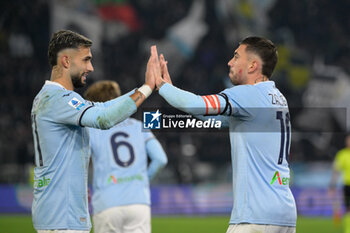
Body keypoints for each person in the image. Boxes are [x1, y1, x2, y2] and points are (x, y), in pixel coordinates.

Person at [153, 36, 297, 233]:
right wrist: (174, 92)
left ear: (253, 65)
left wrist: (162, 87)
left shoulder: (247, 94)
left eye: (237, 57)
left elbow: (199, 104)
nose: (230, 62)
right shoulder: (278, 98)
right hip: (284, 215)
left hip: (255, 216)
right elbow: (214, 117)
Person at [31, 29, 160, 233]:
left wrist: (146, 87)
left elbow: (103, 107)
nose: (91, 67)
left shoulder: (55, 98)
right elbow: (105, 118)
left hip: (62, 215)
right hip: (61, 218)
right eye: (86, 60)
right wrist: (146, 89)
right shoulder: (58, 100)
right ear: (66, 61)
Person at [83, 80, 168, 233]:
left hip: (107, 202)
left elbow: (80, 164)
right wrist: (143, 181)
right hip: (138, 203)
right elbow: (161, 159)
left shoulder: (91, 130)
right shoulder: (139, 126)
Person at [330, 134, 350, 233]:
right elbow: (336, 171)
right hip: (347, 186)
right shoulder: (342, 154)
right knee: (347, 209)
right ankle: (348, 229)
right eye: (348, 140)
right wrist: (332, 186)